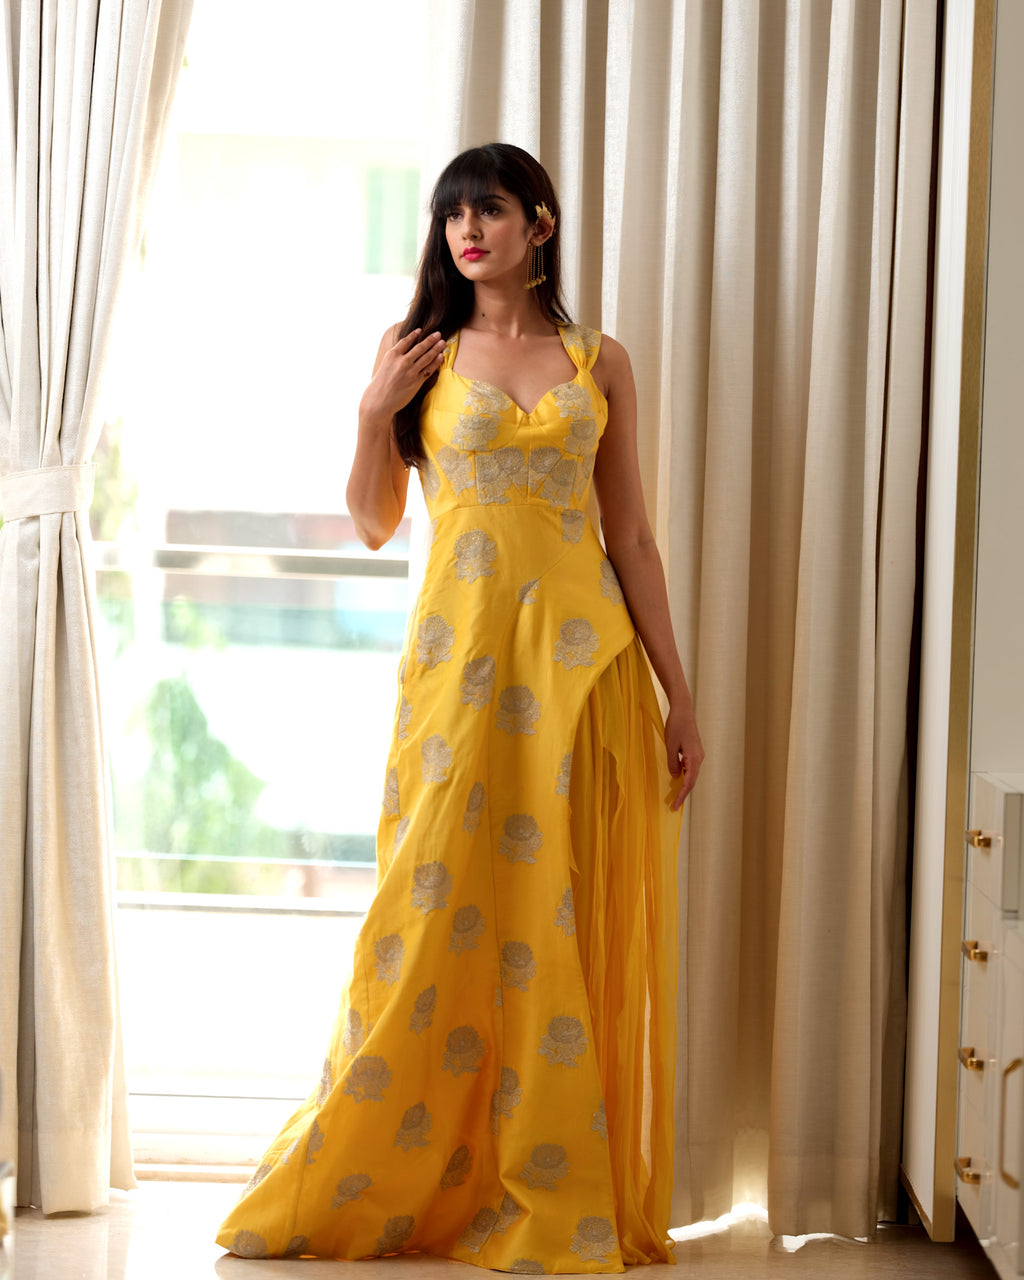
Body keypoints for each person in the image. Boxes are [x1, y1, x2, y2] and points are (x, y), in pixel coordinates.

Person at [216, 142, 703, 1273]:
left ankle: (550, 1177)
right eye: (450, 217)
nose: (465, 232)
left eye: (487, 210)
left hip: (585, 675)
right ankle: (388, 1160)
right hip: (462, 673)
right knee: (429, 904)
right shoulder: (419, 355)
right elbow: (377, 518)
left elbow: (627, 535)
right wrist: (368, 410)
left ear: (539, 220)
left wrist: (680, 692)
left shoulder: (600, 360)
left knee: (559, 918)